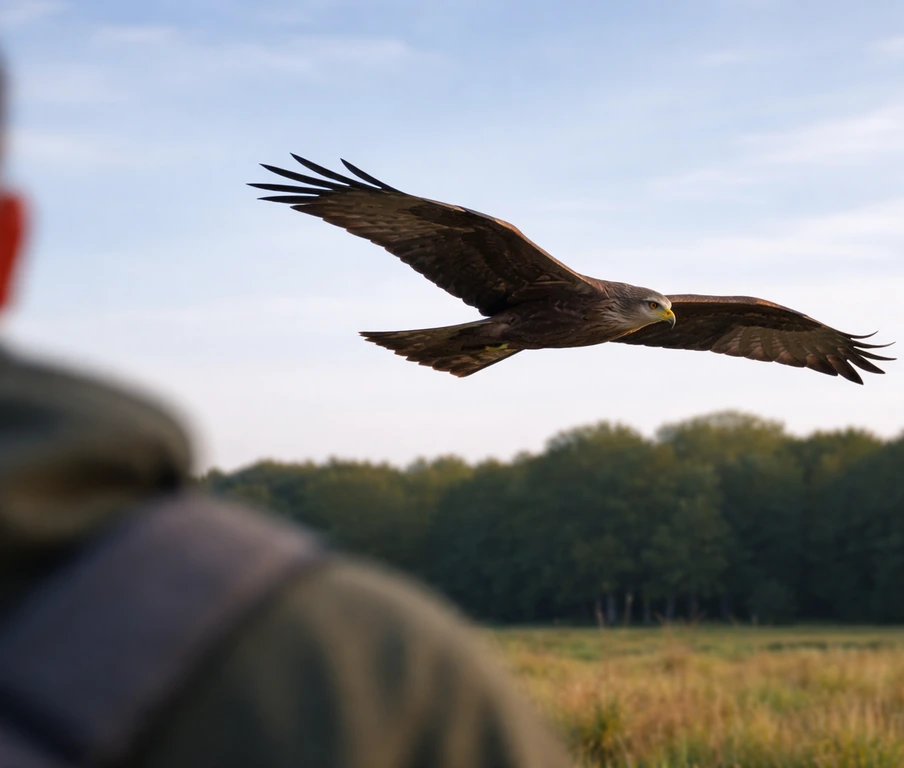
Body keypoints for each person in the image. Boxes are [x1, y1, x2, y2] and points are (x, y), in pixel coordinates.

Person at [0, 58, 572, 768]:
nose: (662, 314)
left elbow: (754, 336)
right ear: (12, 242)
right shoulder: (376, 669)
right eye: (653, 307)